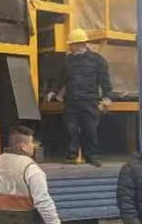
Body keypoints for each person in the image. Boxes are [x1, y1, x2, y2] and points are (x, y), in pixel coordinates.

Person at [46, 27, 113, 167]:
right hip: (72, 100)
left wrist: (107, 97)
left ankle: (91, 156)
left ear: (80, 44)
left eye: (72, 44)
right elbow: (61, 79)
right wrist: (53, 91)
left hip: (90, 100)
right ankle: (72, 154)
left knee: (90, 129)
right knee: (71, 129)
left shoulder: (97, 60)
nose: (70, 47)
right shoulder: (68, 60)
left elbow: (104, 80)